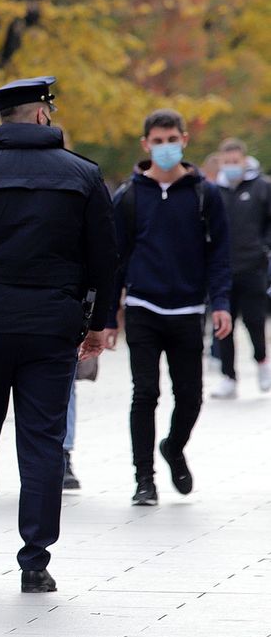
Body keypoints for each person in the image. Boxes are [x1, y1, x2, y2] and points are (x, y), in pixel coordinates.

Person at [0, 76, 116, 593]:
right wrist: (98, 325)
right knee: (43, 442)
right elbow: (106, 257)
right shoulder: (82, 175)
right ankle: (35, 561)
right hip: (52, 327)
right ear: (40, 116)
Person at [104, 109, 231, 506]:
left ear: (184, 140)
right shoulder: (128, 195)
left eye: (170, 139)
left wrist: (221, 303)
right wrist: (108, 317)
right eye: (156, 141)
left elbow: (219, 253)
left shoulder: (203, 193)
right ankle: (144, 478)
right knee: (145, 393)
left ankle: (174, 447)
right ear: (145, 145)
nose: (164, 148)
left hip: (188, 309)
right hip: (142, 307)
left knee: (190, 394)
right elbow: (114, 259)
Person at [209, 138, 271, 398]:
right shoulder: (214, 192)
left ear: (244, 161)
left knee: (255, 321)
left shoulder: (261, 188)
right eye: (227, 162)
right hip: (223, 270)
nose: (232, 166)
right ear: (221, 162)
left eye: (236, 161)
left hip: (253, 267)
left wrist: (263, 248)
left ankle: (262, 362)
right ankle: (228, 377)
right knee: (223, 325)